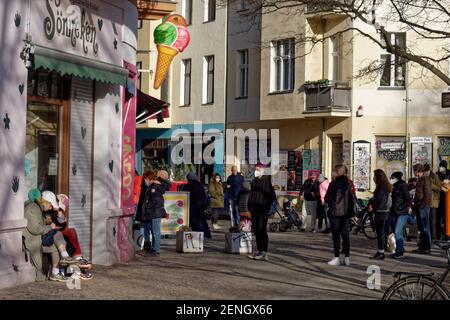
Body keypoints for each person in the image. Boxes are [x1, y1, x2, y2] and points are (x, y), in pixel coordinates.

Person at [325, 165, 354, 266]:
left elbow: (327, 198)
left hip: (335, 213)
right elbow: (352, 199)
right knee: (346, 235)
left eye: (334, 171)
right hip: (346, 214)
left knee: (336, 236)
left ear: (337, 172)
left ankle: (337, 257)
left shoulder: (333, 184)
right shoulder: (348, 183)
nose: (332, 173)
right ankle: (347, 258)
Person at [138, 170, 171, 256]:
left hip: (154, 212)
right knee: (153, 231)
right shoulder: (151, 186)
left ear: (149, 178)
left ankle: (156, 250)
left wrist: (147, 207)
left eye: (146, 179)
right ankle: (151, 249)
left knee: (155, 232)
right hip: (152, 212)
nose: (145, 180)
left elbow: (156, 200)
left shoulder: (154, 187)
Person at [248, 163, 276, 261]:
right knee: (256, 230)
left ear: (262, 170)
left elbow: (272, 197)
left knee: (261, 230)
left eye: (258, 169)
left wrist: (264, 205)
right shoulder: (254, 181)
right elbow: (251, 195)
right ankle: (259, 250)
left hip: (262, 211)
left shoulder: (266, 182)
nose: (256, 171)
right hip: (254, 210)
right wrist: (249, 206)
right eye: (255, 169)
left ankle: (264, 251)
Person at [368, 169, 392, 260]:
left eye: (374, 176)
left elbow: (378, 199)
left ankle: (381, 252)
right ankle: (381, 250)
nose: (373, 178)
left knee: (380, 232)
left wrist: (373, 206)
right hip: (383, 211)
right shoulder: (383, 186)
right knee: (381, 232)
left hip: (381, 211)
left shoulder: (381, 187)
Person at [183, 172, 211, 239]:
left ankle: (198, 235)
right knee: (201, 221)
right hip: (200, 206)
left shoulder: (187, 186)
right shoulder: (200, 185)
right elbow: (204, 196)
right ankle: (206, 234)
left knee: (195, 222)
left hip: (191, 206)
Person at [389, 172, 410, 259]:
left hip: (402, 213)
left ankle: (399, 252)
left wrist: (400, 207)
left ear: (397, 178)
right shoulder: (395, 186)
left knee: (398, 231)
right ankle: (399, 251)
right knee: (398, 232)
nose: (391, 179)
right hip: (395, 212)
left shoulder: (403, 185)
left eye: (392, 177)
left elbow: (407, 199)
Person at [413, 164, 432, 254]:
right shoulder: (419, 180)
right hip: (419, 206)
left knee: (425, 228)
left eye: (414, 171)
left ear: (418, 171)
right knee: (421, 228)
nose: (414, 173)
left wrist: (422, 205)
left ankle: (427, 247)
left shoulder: (425, 179)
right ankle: (422, 246)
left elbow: (428, 195)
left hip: (423, 207)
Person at [426, 164, 441, 240]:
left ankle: (433, 236)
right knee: (426, 220)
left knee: (433, 220)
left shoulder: (435, 176)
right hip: (425, 202)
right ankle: (427, 236)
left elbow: (439, 188)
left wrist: (431, 185)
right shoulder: (424, 177)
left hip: (433, 202)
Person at [437, 160, 450, 240]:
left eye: (442, 166)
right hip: (438, 197)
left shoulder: (449, 173)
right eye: (440, 166)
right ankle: (438, 234)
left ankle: (446, 234)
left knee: (446, 217)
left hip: (447, 198)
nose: (441, 168)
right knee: (438, 217)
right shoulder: (437, 174)